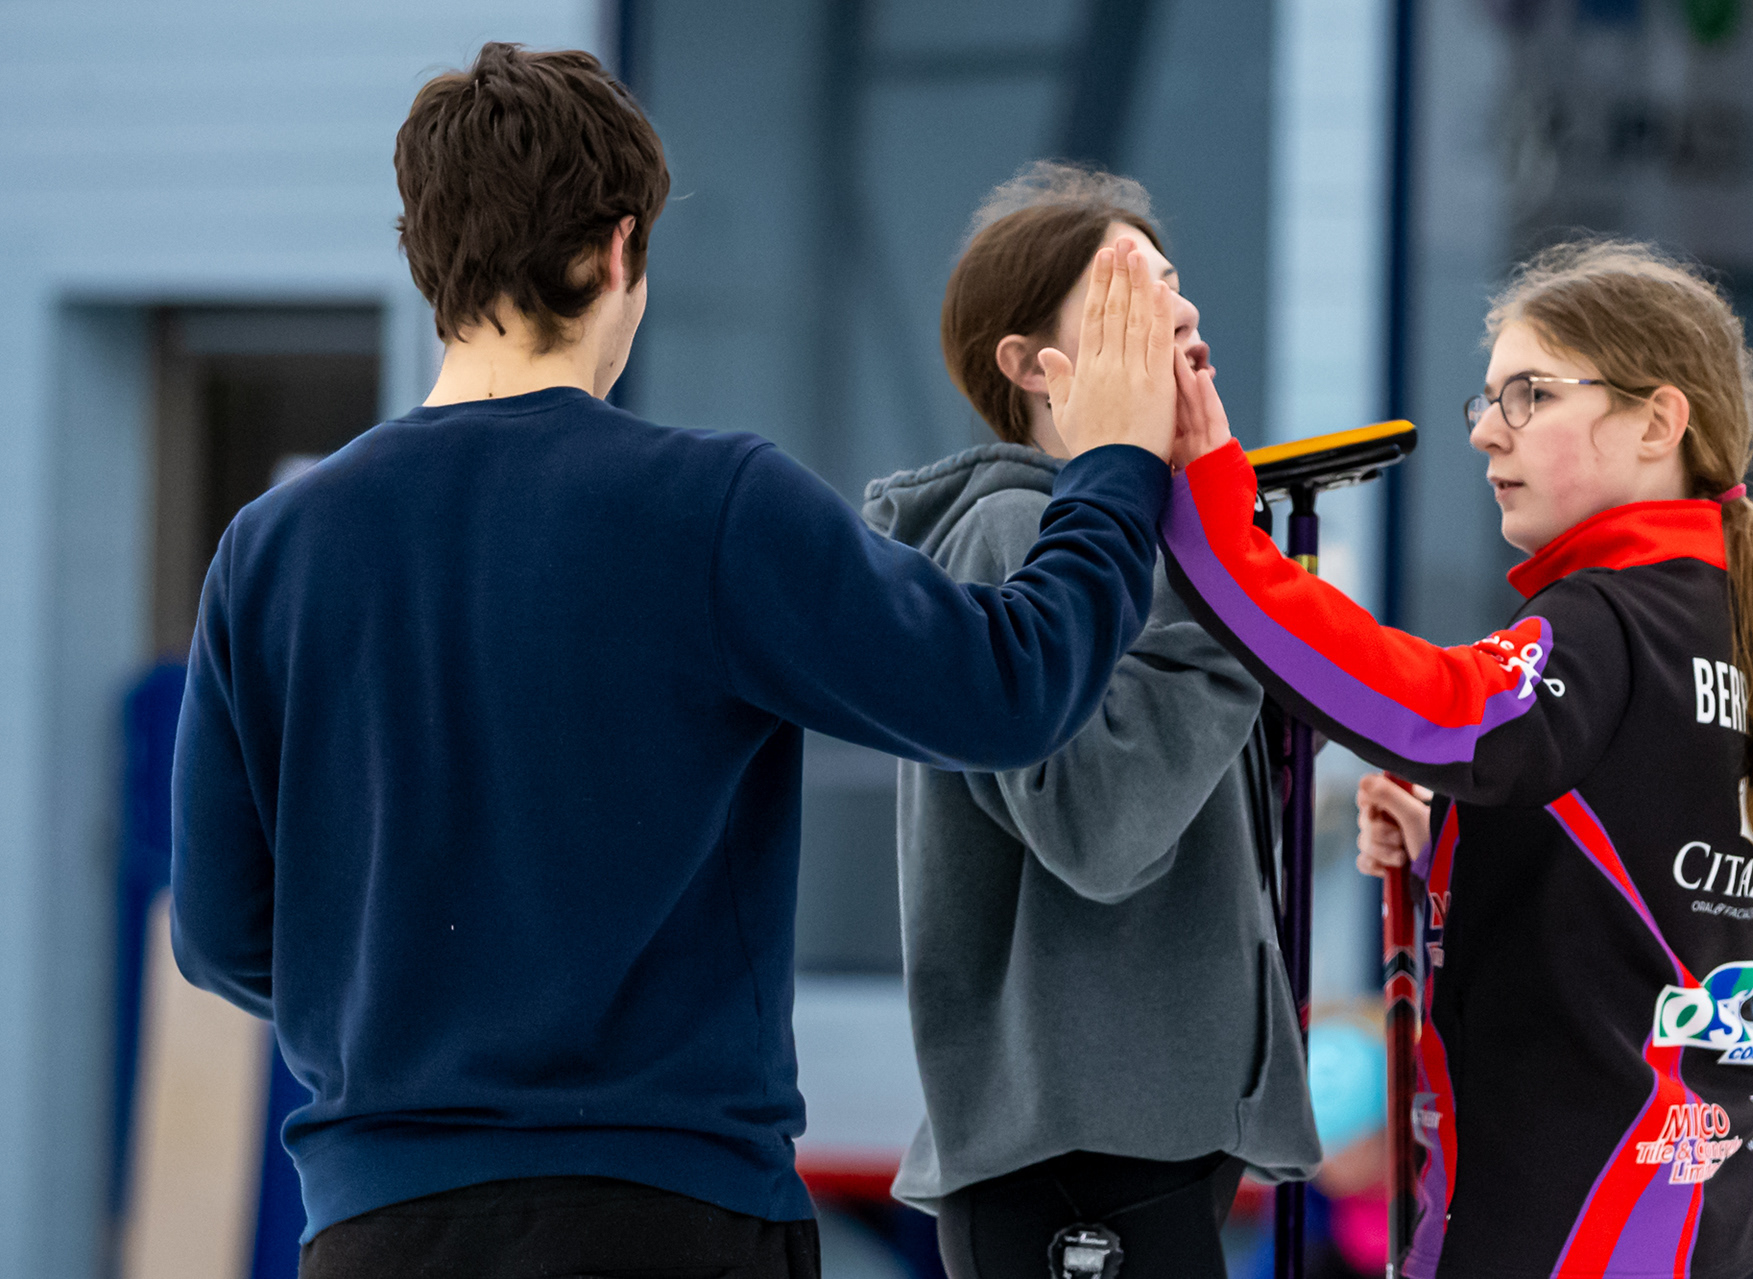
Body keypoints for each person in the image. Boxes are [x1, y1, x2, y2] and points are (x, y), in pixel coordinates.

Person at [168, 45, 1189, 1279]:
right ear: (618, 253)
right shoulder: (709, 507)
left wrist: (409, 1009)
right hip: (666, 1216)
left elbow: (222, 934)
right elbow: (1012, 687)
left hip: (376, 1227)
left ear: (429, 260)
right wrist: (1115, 466)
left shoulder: (271, 550)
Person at [1157, 240, 1753, 1279]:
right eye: (1489, 399)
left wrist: (1219, 527)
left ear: (1658, 422)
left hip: (1578, 1226)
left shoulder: (1607, 622)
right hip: (1694, 1214)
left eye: (1531, 395)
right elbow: (1633, 878)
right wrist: (1454, 837)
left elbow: (1430, 709)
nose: (1487, 430)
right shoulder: (1722, 620)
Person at [862, 163, 1318, 1279]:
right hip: (1078, 1158)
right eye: (1131, 294)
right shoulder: (1012, 532)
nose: (1182, 310)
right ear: (1032, 365)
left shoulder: (1148, 555)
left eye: (1175, 283)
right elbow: (1102, 826)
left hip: (1130, 1146)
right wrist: (1230, 617)